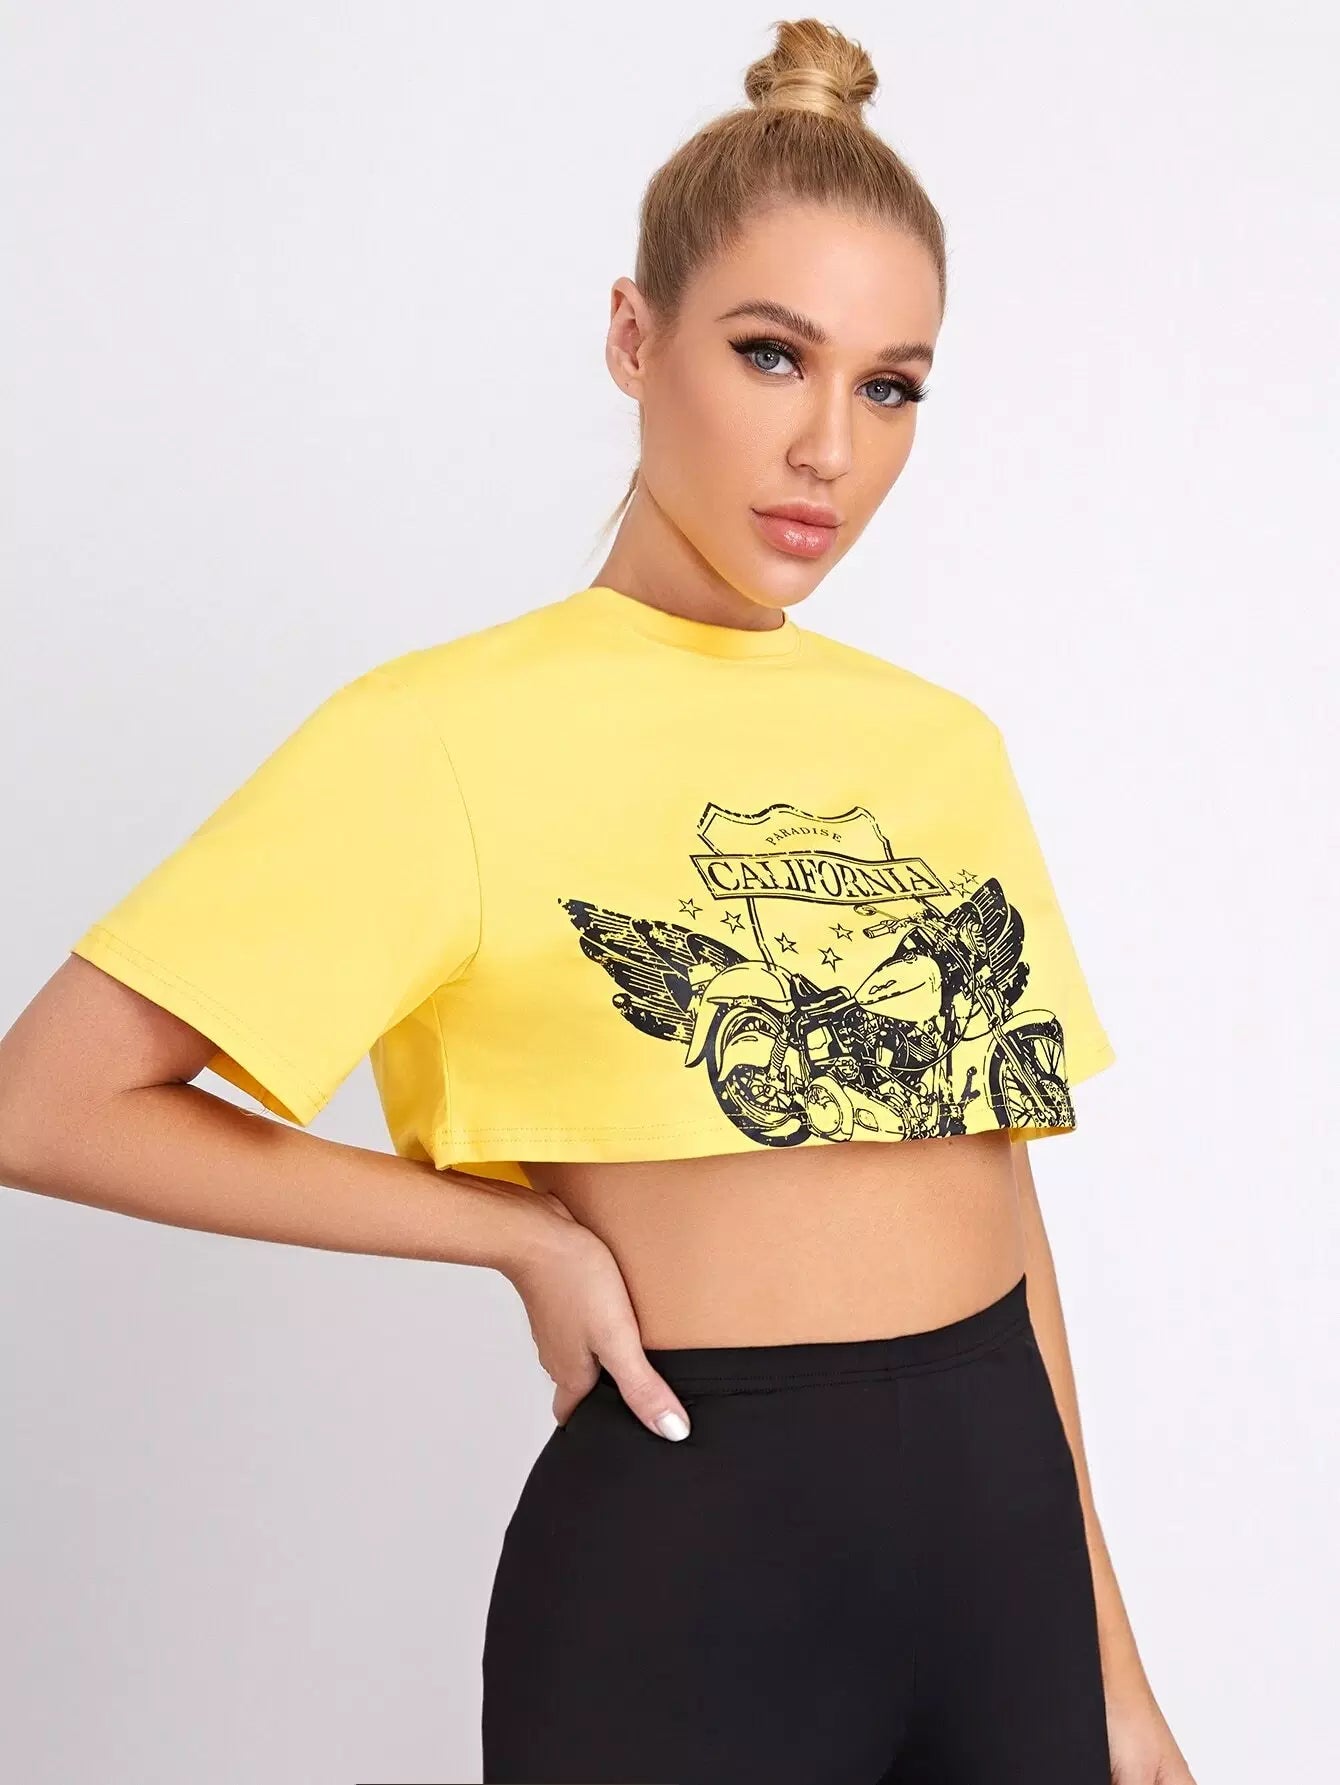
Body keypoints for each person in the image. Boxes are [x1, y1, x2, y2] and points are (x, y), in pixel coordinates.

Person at [0, 17, 1196, 1785]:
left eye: (891, 385)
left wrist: (1114, 1662)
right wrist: (520, 1237)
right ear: (635, 336)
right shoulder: (443, 733)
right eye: (772, 354)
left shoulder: (943, 747)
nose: (830, 447)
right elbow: (45, 1100)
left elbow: (1002, 1207)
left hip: (1005, 1546)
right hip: (695, 1569)